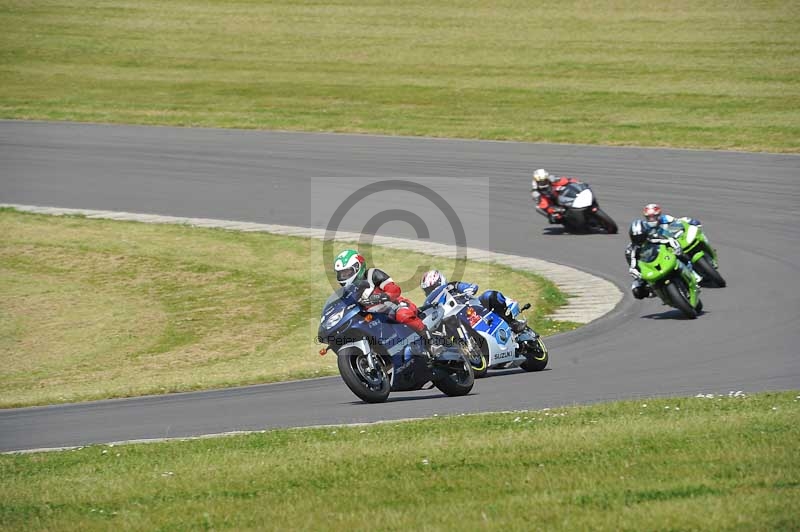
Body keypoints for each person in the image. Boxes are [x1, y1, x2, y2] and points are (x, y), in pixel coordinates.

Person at [333, 250, 441, 378]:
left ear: (358, 267)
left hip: (394, 305)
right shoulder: (346, 293)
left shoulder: (372, 275)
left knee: (403, 315)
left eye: (347, 272)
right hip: (374, 317)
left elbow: (394, 289)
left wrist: (382, 296)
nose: (344, 276)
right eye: (341, 274)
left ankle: (431, 342)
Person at [419, 270, 527, 333]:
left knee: (490, 295)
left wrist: (469, 289)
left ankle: (511, 322)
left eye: (433, 287)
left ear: (440, 281)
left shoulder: (452, 285)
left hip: (474, 307)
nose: (432, 291)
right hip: (453, 318)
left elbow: (471, 287)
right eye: (428, 290)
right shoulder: (429, 303)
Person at [625, 219, 701, 299]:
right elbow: (633, 265)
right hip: (648, 268)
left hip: (662, 258)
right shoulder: (630, 250)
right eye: (636, 238)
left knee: (681, 255)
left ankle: (693, 272)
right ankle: (654, 292)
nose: (639, 240)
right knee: (636, 291)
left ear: (646, 233)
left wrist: (676, 248)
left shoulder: (654, 237)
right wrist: (636, 273)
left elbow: (669, 241)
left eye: (641, 237)